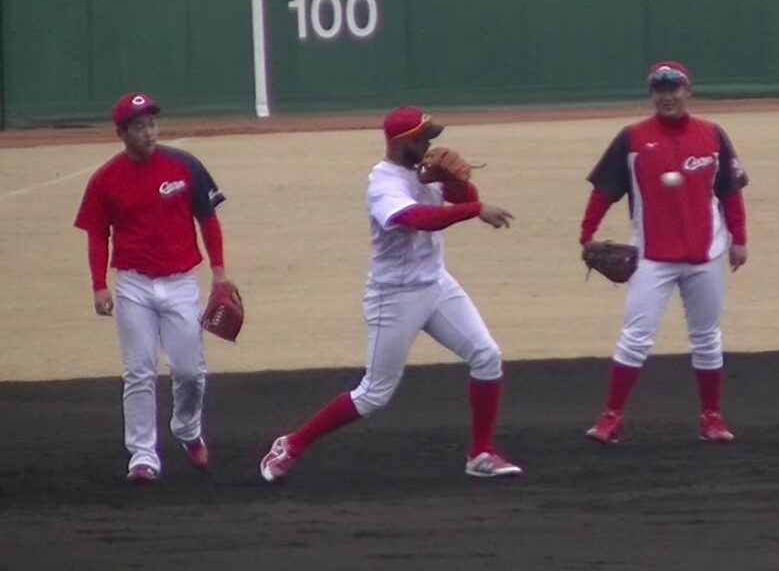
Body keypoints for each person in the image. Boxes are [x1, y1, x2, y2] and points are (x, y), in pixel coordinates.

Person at [259, 106, 522, 481]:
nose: (431, 144)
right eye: (423, 138)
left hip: (436, 284)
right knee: (373, 394)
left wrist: (460, 186)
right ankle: (292, 444)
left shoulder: (425, 171)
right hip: (394, 297)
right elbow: (416, 219)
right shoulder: (383, 183)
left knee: (486, 357)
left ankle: (480, 453)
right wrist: (474, 208)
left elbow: (460, 195)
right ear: (402, 142)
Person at [579, 60, 749, 444]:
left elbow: (729, 192)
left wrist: (739, 239)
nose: (667, 95)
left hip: (705, 255)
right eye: (660, 89)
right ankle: (611, 418)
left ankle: (712, 418)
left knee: (706, 337)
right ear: (652, 94)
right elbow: (604, 190)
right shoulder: (632, 139)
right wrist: (586, 234)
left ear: (688, 91)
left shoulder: (712, 135)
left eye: (674, 88)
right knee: (636, 337)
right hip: (652, 258)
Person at [73, 92, 233, 482]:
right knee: (139, 372)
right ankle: (143, 456)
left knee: (190, 371)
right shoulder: (105, 180)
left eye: (151, 125)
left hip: (180, 283)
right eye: (139, 127)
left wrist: (220, 271)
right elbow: (97, 235)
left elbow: (207, 218)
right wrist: (99, 285)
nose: (148, 133)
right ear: (121, 132)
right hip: (133, 285)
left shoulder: (184, 165)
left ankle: (187, 428)